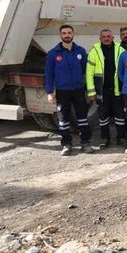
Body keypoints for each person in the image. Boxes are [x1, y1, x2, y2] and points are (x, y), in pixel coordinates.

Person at [44, 24, 91, 155]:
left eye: (69, 32)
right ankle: (66, 144)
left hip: (78, 90)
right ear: (60, 35)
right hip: (62, 91)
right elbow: (49, 74)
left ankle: (85, 143)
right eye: (64, 33)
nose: (67, 35)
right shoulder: (53, 54)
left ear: (73, 34)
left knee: (82, 117)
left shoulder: (80, 51)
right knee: (63, 119)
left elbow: (84, 70)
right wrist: (49, 92)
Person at [85, 29, 125, 148]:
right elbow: (89, 74)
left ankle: (121, 138)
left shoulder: (121, 50)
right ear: (100, 38)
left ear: (113, 38)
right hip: (101, 91)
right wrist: (91, 92)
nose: (106, 38)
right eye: (104, 36)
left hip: (117, 90)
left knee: (120, 116)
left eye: (109, 36)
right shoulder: (94, 52)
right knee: (103, 117)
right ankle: (105, 139)